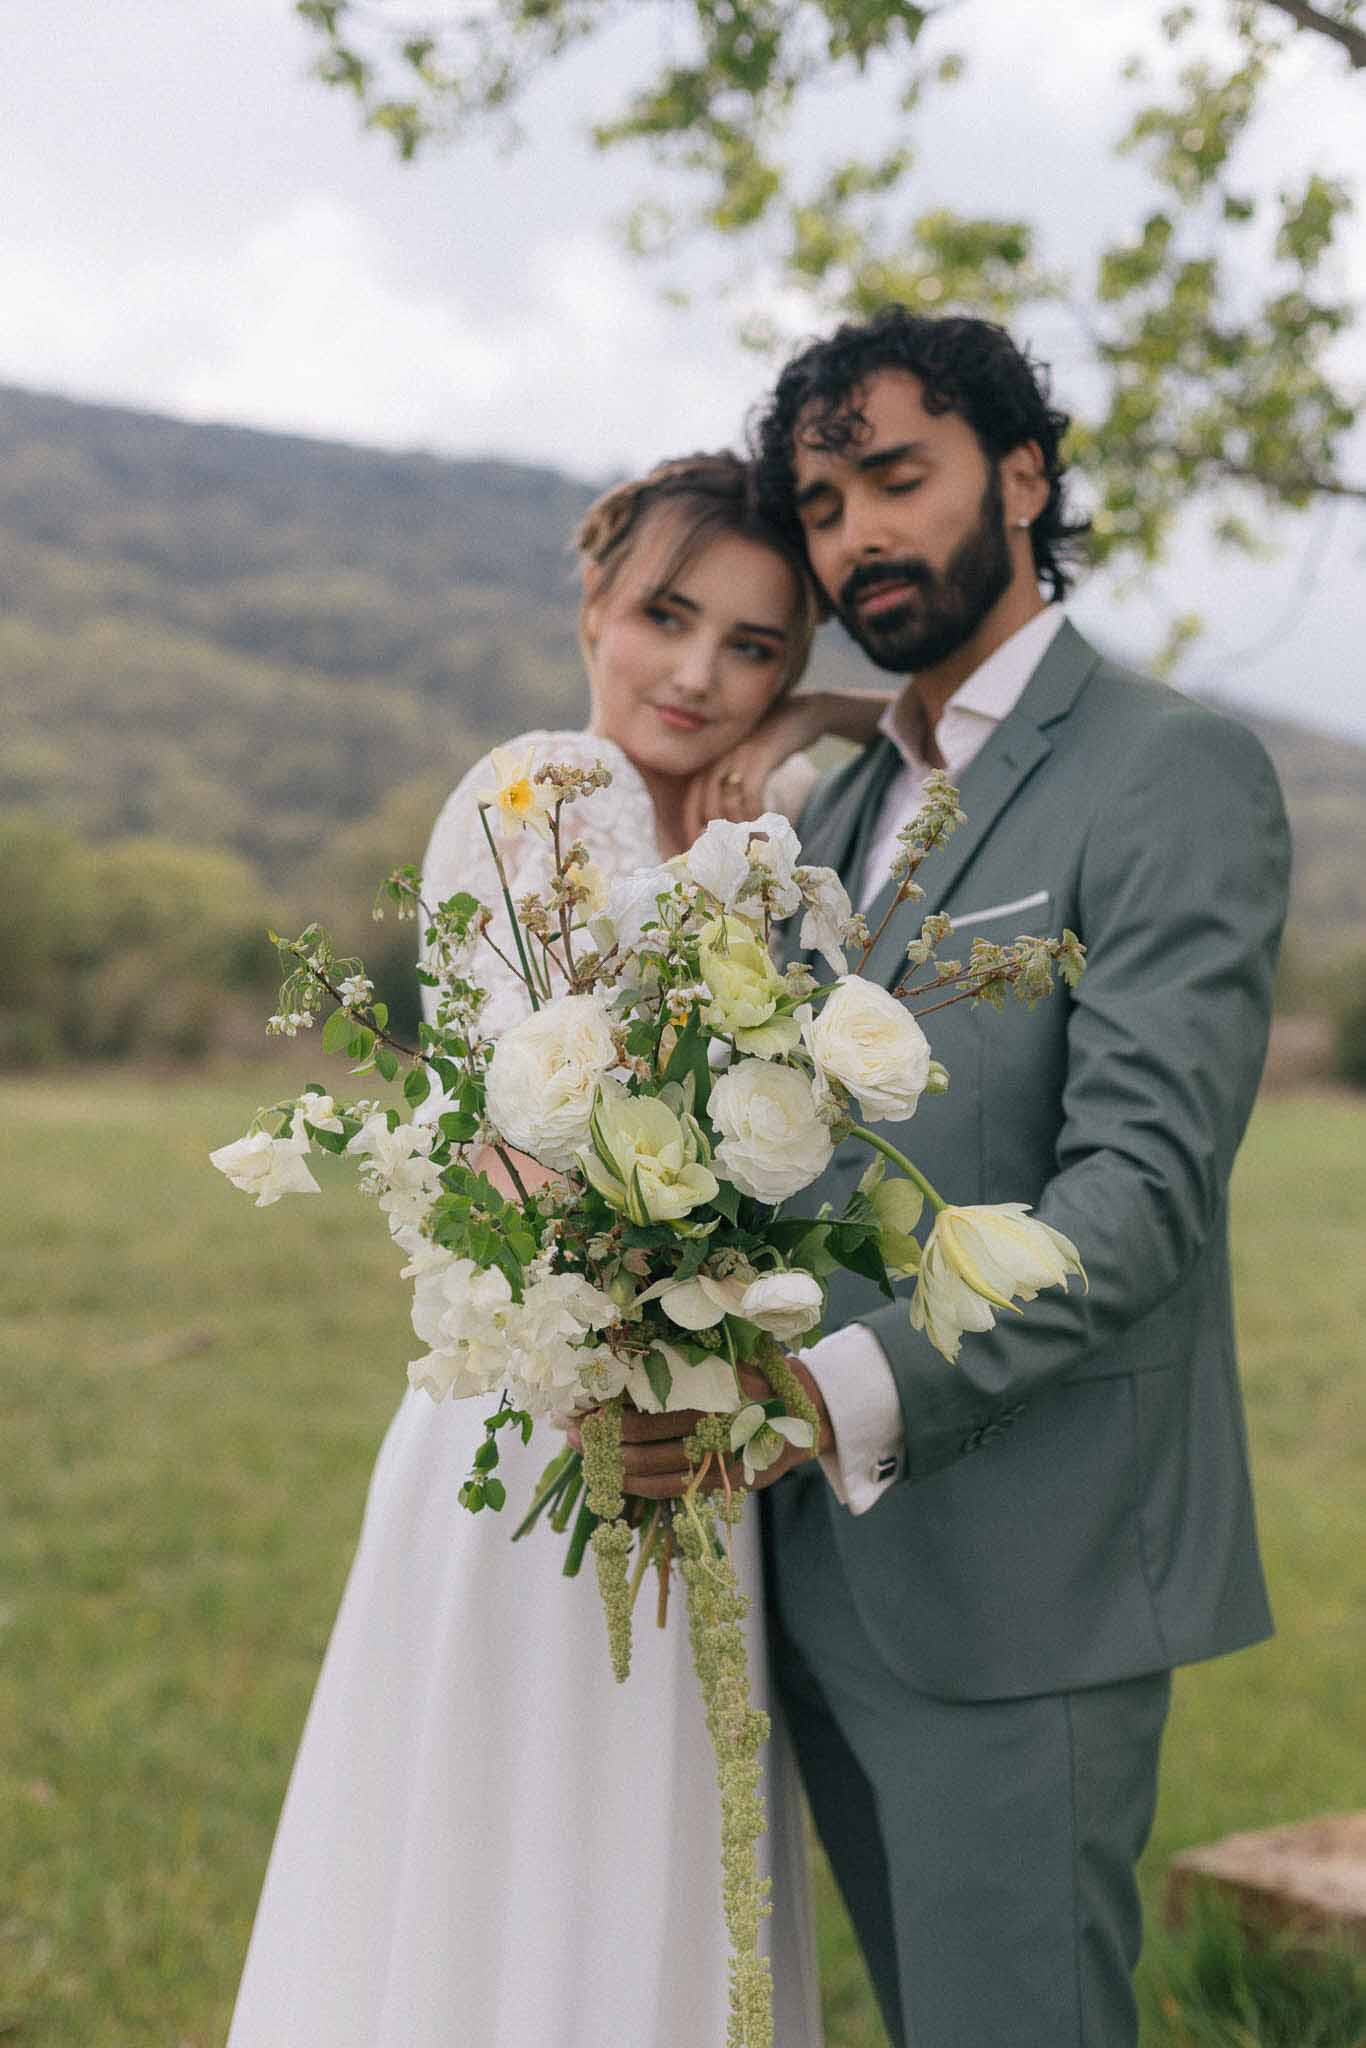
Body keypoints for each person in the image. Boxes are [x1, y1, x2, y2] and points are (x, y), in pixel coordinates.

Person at [616, 311, 1292, 2048]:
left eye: (893, 481)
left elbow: (1135, 1199)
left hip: (1028, 1582)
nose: (853, 539)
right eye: (824, 505)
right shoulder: (846, 800)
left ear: (1020, 473)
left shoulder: (1169, 771)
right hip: (824, 1581)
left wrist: (819, 1397)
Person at [225, 450, 894, 2048]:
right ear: (592, 601)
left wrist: (799, 736)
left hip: (690, 1407)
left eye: (753, 647)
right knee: (511, 1821)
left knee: (671, 1821)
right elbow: (528, 1137)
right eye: (668, 616)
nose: (697, 673)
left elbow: (912, 719)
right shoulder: (540, 788)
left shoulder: (757, 820)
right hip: (545, 1390)